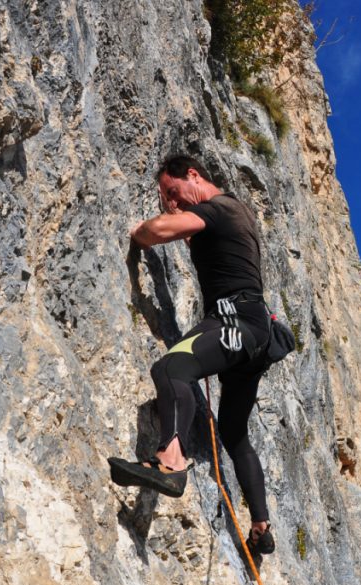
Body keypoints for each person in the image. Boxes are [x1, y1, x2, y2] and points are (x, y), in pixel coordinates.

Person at [108, 154, 275, 555]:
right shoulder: (235, 216)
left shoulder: (216, 209)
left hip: (233, 320)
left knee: (171, 368)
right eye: (166, 197)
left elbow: (160, 230)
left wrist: (138, 230)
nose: (172, 201)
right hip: (256, 333)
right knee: (234, 433)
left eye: (173, 191)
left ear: (194, 176)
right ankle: (261, 526)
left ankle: (171, 463)